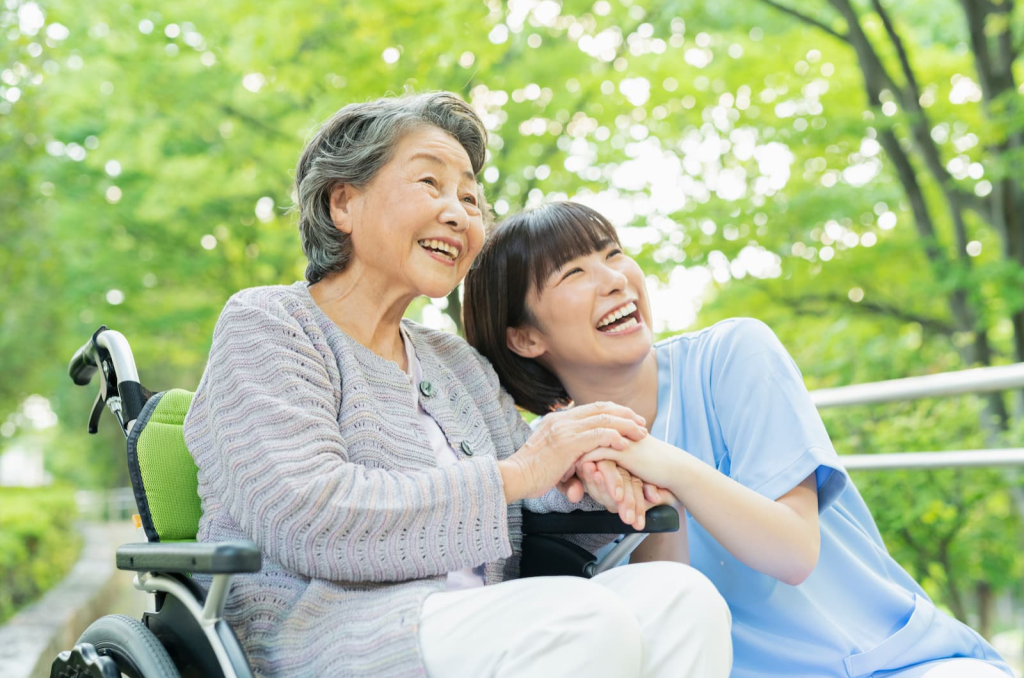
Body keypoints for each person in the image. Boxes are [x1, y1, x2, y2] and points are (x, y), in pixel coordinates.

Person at [183, 93, 732, 678]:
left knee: (682, 598)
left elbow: (529, 488)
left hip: (477, 616)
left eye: (470, 198)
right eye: (430, 183)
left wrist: (589, 474)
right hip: (325, 635)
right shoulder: (269, 325)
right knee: (580, 618)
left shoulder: (452, 361)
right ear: (343, 201)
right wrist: (523, 472)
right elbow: (306, 514)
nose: (459, 213)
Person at [462, 200, 1012, 678]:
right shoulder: (552, 465)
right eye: (572, 272)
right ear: (525, 336)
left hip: (890, 659)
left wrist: (662, 461)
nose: (613, 279)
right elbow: (668, 615)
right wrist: (658, 503)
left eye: (613, 253)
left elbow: (793, 550)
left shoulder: (733, 354)